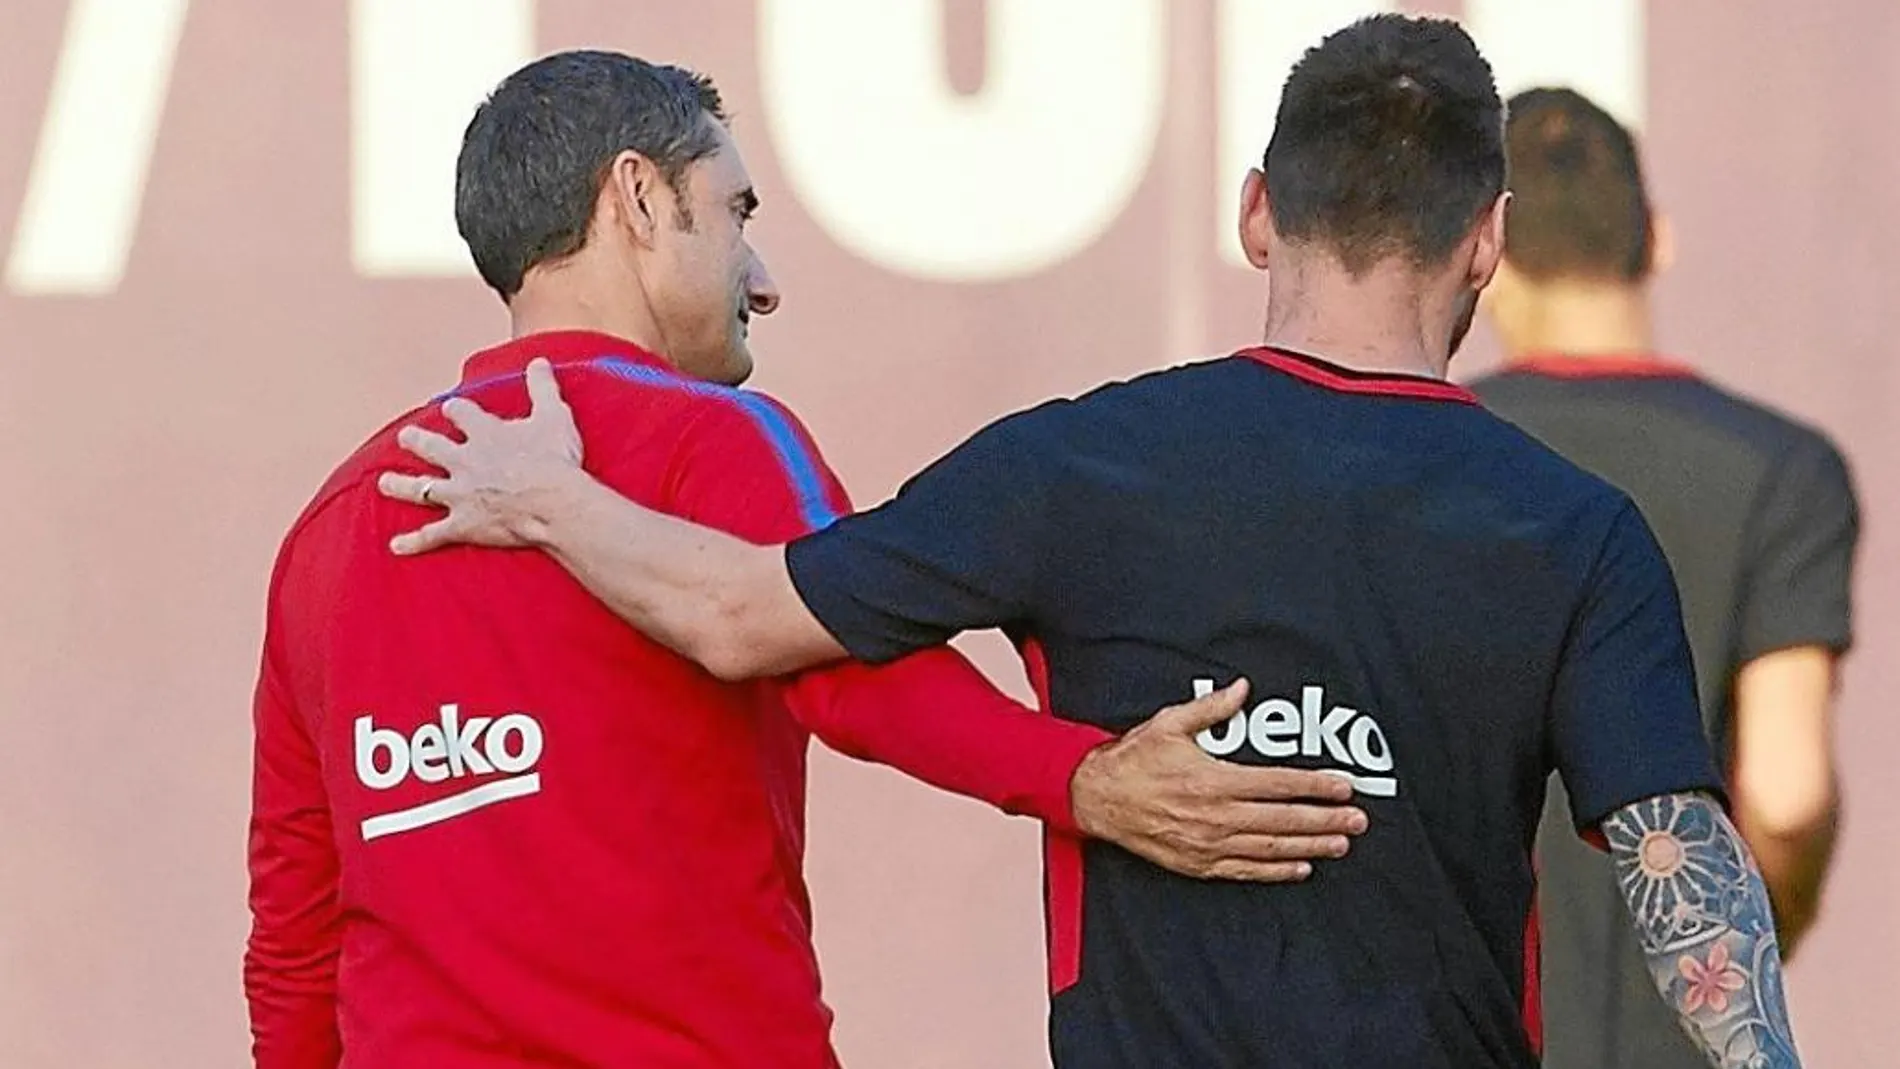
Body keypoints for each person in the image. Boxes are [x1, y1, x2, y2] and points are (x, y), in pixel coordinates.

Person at [380, 16, 1805, 1069]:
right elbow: (1680, 852)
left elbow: (751, 621)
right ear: (1485, 241)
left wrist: (550, 498)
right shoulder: (1575, 531)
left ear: (1258, 214)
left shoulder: (1074, 462)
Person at [242, 51, 1368, 1069]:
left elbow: (296, 926)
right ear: (637, 198)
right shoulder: (706, 439)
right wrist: (1086, 780)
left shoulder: (334, 525)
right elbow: (848, 671)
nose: (763, 276)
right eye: (733, 212)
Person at [1469, 87, 1859, 1069]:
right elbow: (1786, 793)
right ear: (1659, 240)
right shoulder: (1780, 468)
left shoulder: (1417, 457)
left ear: (1485, 259)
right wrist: (1761, 937)